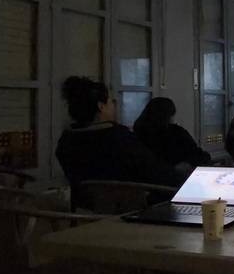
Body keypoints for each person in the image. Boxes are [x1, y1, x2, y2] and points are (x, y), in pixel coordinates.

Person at [56, 76, 183, 206]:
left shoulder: (66, 141)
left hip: (85, 210)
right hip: (131, 210)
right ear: (101, 106)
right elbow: (156, 172)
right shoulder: (119, 139)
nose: (114, 105)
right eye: (111, 102)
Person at [134, 97, 211, 167]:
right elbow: (198, 155)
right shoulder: (176, 133)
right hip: (175, 177)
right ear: (169, 115)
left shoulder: (138, 133)